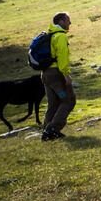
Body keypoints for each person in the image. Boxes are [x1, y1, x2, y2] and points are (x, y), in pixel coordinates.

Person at [40, 12, 75, 141]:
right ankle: (52, 129)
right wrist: (65, 75)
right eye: (67, 20)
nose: (70, 23)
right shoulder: (60, 36)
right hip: (56, 75)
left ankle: (46, 131)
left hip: (46, 74)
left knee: (53, 104)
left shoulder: (49, 34)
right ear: (61, 21)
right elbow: (62, 56)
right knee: (68, 100)